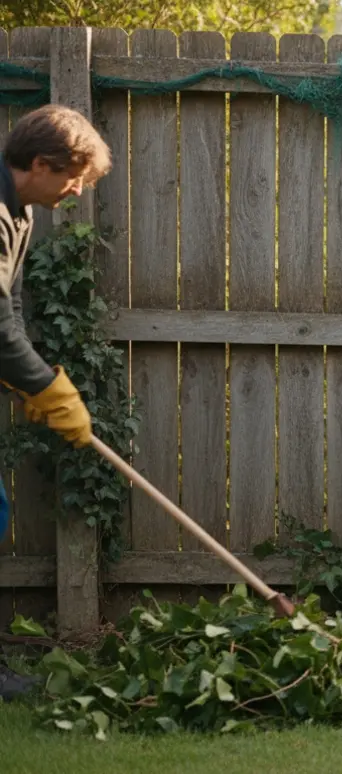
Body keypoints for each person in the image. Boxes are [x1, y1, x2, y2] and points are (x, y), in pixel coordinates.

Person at [0, 104, 110, 702]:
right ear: (40, 164)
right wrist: (49, 387)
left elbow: (10, 310)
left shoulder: (20, 216)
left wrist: (26, 381)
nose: (75, 191)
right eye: (73, 178)